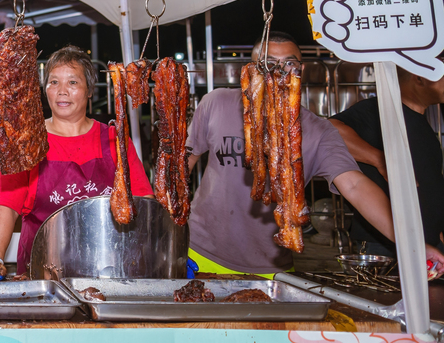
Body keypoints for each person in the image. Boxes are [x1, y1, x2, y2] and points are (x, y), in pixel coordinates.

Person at [185, 31, 444, 276]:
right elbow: (186, 159)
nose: (278, 72)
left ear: (301, 70)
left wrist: (412, 242)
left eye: (289, 63)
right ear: (251, 71)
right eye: (268, 64)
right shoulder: (216, 103)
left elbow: (354, 185)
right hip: (200, 252)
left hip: (270, 266)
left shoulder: (318, 130)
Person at [0, 45, 154, 281]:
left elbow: (144, 204)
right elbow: (6, 209)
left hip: (110, 271)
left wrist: (160, 248)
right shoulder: (26, 142)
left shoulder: (115, 140)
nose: (61, 91)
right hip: (41, 276)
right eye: (54, 82)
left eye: (73, 82)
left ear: (89, 91)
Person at [329, 65, 444, 256]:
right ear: (420, 78)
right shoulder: (379, 110)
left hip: (428, 245)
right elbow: (330, 131)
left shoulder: (423, 125)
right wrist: (381, 160)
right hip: (384, 247)